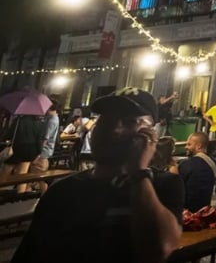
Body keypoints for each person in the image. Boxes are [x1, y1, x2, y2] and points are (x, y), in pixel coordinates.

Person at [12, 88, 183, 263]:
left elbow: (160, 247)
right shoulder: (63, 191)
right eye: (107, 121)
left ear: (150, 134)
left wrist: (138, 173)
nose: (115, 129)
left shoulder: (162, 185)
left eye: (129, 122)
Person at [1, 114, 43, 193]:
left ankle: (1, 190)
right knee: (23, 175)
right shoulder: (38, 122)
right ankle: (20, 195)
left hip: (17, 147)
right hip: (30, 150)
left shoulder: (18, 121)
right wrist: (38, 153)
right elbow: (39, 139)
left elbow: (9, 135)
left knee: (6, 172)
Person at [179, 132, 216, 212]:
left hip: (187, 213)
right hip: (205, 211)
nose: (186, 147)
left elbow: (178, 187)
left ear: (198, 146)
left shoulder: (187, 164)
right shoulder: (215, 162)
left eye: (189, 144)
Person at [29, 102, 60, 193]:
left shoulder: (52, 120)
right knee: (37, 176)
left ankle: (44, 196)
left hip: (43, 152)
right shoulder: (53, 118)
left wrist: (38, 154)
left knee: (39, 176)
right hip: (46, 151)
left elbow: (45, 138)